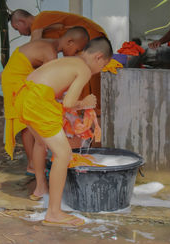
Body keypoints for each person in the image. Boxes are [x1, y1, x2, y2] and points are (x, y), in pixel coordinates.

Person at [13, 37, 113, 227]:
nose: (99, 70)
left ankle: (41, 189)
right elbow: (69, 104)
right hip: (37, 102)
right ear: (99, 57)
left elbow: (57, 92)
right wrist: (85, 103)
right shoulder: (83, 69)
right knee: (64, 154)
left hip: (23, 96)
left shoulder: (69, 60)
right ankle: (54, 213)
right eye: (104, 65)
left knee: (41, 143)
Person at [2, 27, 90, 176]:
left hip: (23, 78)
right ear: (69, 42)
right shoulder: (50, 53)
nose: (75, 55)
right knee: (26, 124)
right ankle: (32, 165)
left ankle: (36, 163)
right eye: (77, 51)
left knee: (31, 123)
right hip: (15, 79)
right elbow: (50, 87)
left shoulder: (50, 45)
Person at [10, 10, 108, 117]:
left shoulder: (39, 20)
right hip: (89, 39)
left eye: (16, 28)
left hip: (91, 37)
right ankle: (85, 113)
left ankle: (92, 114)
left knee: (86, 76)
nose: (20, 33)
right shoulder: (47, 35)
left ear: (21, 21)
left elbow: (34, 43)